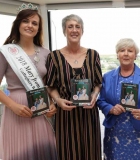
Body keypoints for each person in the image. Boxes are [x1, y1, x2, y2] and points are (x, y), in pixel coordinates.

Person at [0, 3, 57, 159]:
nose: (30, 26)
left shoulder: (46, 53)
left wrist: (51, 103)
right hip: (16, 111)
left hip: (40, 109)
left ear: (38, 28)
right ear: (18, 23)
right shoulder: (6, 52)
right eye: (26, 21)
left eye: (34, 23)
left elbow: (48, 85)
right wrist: (12, 105)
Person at [46, 14, 102, 160]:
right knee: (67, 153)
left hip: (89, 114)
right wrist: (58, 100)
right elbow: (50, 86)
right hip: (65, 115)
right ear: (64, 31)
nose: (74, 30)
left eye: (78, 27)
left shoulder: (93, 55)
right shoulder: (54, 57)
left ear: (82, 31)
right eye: (70, 26)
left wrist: (94, 97)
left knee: (91, 153)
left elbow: (98, 83)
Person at [97, 38, 140, 159]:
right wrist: (110, 109)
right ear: (117, 55)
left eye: (130, 51)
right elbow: (101, 101)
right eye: (122, 50)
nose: (126, 53)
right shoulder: (107, 77)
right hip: (115, 134)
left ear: (135, 55)